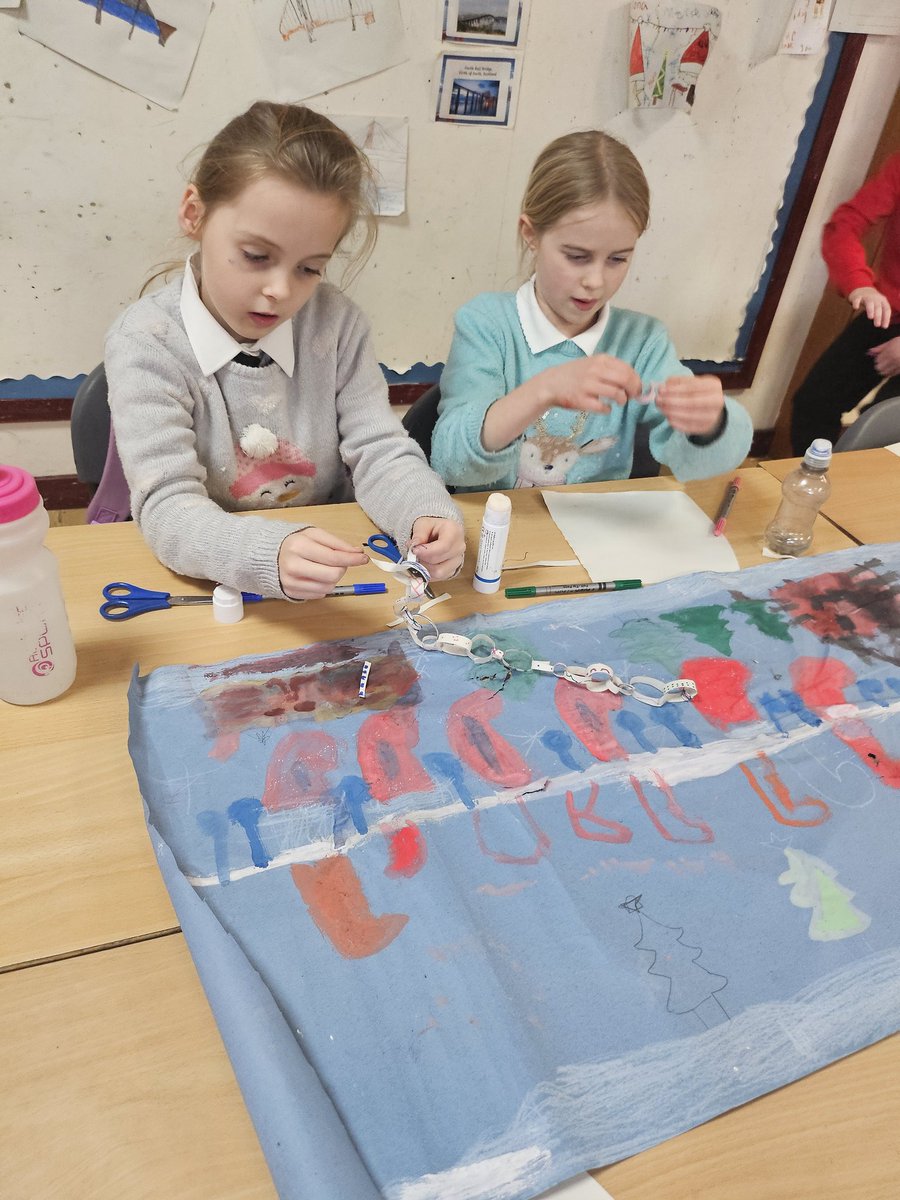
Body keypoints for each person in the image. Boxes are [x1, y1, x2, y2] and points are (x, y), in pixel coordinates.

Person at [105, 101, 464, 600]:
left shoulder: (336, 324)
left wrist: (424, 511)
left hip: (334, 574)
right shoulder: (146, 342)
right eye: (257, 256)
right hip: (217, 588)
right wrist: (263, 554)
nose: (280, 290)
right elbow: (167, 505)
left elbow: (378, 449)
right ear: (194, 214)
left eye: (309, 268)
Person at [430, 130, 752, 491]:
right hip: (497, 533)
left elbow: (697, 463)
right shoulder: (486, 324)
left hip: (595, 537)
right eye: (577, 256)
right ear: (531, 234)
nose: (596, 281)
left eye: (618, 259)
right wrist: (543, 389)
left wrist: (712, 423)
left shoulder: (643, 343)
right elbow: (450, 462)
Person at [789, 151, 900, 455]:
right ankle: (812, 487)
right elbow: (846, 224)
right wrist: (860, 283)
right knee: (814, 403)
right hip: (889, 315)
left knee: (884, 432)